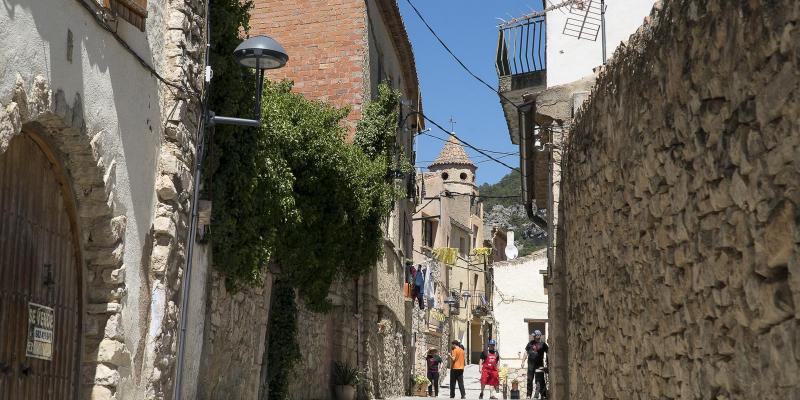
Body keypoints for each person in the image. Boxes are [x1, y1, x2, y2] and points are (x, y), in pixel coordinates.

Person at [520, 330, 549, 399]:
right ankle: (528, 395)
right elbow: (526, 353)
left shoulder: (543, 344)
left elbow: (549, 352)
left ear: (538, 336)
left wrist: (548, 363)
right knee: (529, 380)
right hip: (531, 365)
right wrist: (523, 361)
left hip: (539, 365)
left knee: (540, 380)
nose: (533, 336)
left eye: (534, 335)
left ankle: (543, 395)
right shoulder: (530, 343)